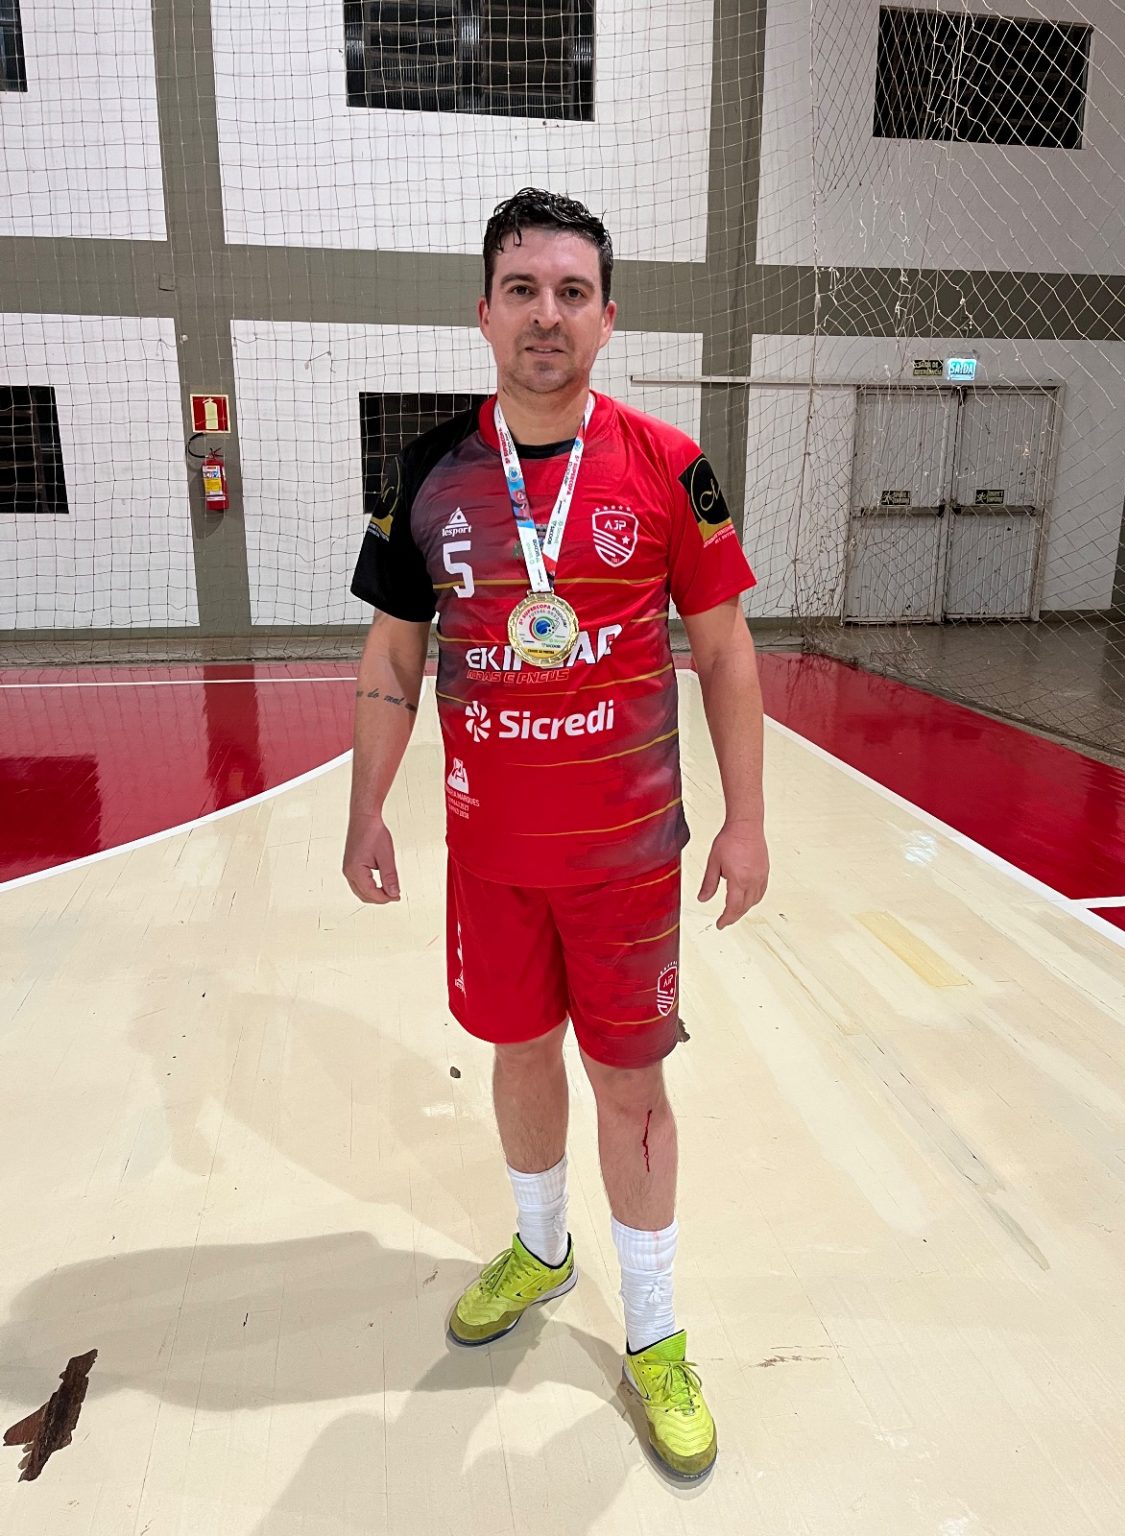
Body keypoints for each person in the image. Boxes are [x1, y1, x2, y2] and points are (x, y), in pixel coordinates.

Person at [344, 187, 769, 1482]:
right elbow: (394, 652)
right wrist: (366, 806)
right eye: (522, 290)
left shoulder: (670, 466)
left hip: (628, 862)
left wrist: (749, 819)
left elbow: (724, 647)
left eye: (571, 292)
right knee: (518, 1052)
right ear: (483, 313)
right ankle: (541, 1247)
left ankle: (655, 1334)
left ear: (607, 317)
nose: (546, 314)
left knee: (631, 1088)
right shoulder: (428, 471)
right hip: (492, 860)